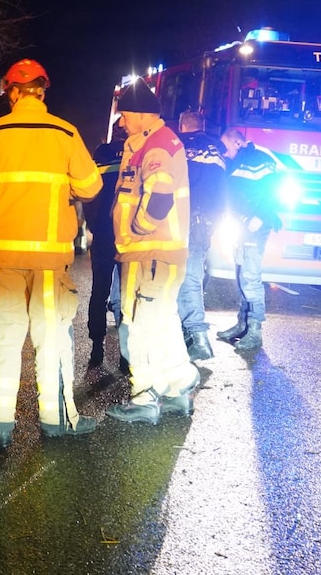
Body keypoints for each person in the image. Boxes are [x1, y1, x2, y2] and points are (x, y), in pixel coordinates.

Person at [0, 58, 103, 448]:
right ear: (42, 90)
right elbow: (91, 188)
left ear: (12, 92)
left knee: (3, 341)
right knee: (51, 341)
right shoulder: (65, 133)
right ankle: (56, 422)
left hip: (3, 261)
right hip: (51, 263)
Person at [104, 80, 200, 425]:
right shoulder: (154, 141)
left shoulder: (155, 146)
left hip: (150, 253)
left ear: (143, 115)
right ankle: (178, 385)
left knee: (139, 322)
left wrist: (136, 230)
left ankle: (144, 397)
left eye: (125, 115)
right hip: (162, 253)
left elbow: (160, 196)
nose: (121, 122)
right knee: (161, 320)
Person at [216, 128, 283, 351]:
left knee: (250, 276)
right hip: (241, 226)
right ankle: (243, 324)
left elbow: (275, 192)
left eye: (225, 147)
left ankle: (255, 330)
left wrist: (261, 217)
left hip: (256, 226)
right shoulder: (236, 162)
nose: (224, 153)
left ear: (237, 143)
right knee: (241, 274)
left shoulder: (260, 160)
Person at [175, 111, 228, 362]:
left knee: (185, 278)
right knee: (192, 276)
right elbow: (221, 190)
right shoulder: (217, 152)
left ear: (183, 126)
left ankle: (197, 337)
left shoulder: (181, 147)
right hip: (207, 222)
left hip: (185, 219)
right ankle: (188, 333)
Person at [85, 122, 127, 372]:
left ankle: (96, 348)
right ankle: (125, 354)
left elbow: (90, 194)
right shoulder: (138, 153)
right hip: (127, 236)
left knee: (99, 292)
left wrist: (93, 225)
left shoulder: (101, 154)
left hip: (103, 231)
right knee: (125, 295)